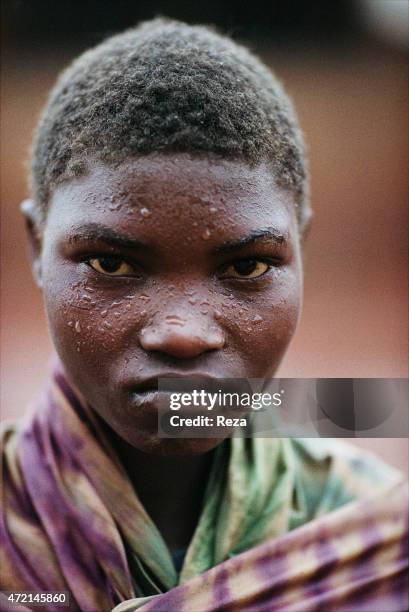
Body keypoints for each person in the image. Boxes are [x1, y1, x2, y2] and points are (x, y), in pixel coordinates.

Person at [1, 18, 407, 612]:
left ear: (301, 251)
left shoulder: (377, 542)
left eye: (246, 268)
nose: (182, 333)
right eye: (110, 264)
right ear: (38, 248)